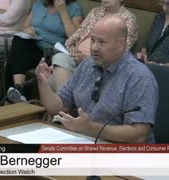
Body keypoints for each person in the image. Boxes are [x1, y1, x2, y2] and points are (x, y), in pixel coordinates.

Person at [36, 15, 158, 144]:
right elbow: (58, 107)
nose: (94, 47)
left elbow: (138, 135)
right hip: (86, 141)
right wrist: (43, 84)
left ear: (121, 44)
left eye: (102, 42)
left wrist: (91, 128)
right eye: (92, 40)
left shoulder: (139, 78)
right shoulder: (87, 65)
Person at [49, 0, 138, 92]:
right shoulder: (95, 12)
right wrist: (73, 49)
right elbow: (76, 35)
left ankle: (65, 102)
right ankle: (67, 101)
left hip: (99, 64)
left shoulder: (128, 19)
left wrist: (88, 59)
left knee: (54, 77)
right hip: (76, 56)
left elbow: (121, 52)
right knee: (55, 69)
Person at [7, 0, 83, 103]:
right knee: (19, 40)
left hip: (52, 52)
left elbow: (75, 37)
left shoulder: (75, 8)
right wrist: (27, 29)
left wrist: (63, 11)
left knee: (14, 58)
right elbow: (23, 26)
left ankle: (18, 94)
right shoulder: (39, 4)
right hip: (34, 45)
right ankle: (19, 89)